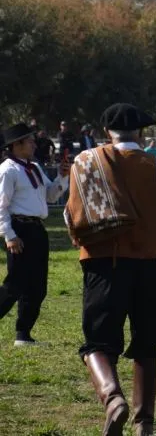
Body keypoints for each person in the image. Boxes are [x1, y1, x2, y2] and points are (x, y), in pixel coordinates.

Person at [64, 103, 156, 436]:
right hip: (147, 264)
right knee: (147, 343)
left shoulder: (85, 163)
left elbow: (71, 215)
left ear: (107, 132)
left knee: (96, 343)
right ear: (141, 133)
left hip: (100, 264)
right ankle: (144, 423)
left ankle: (112, 398)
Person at [0, 123, 70, 346]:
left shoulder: (35, 168)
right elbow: (1, 206)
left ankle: (23, 333)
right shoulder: (8, 170)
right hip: (19, 228)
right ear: (16, 145)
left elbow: (50, 196)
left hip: (37, 229)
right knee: (15, 285)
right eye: (29, 141)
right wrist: (9, 235)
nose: (33, 144)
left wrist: (62, 178)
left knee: (38, 286)